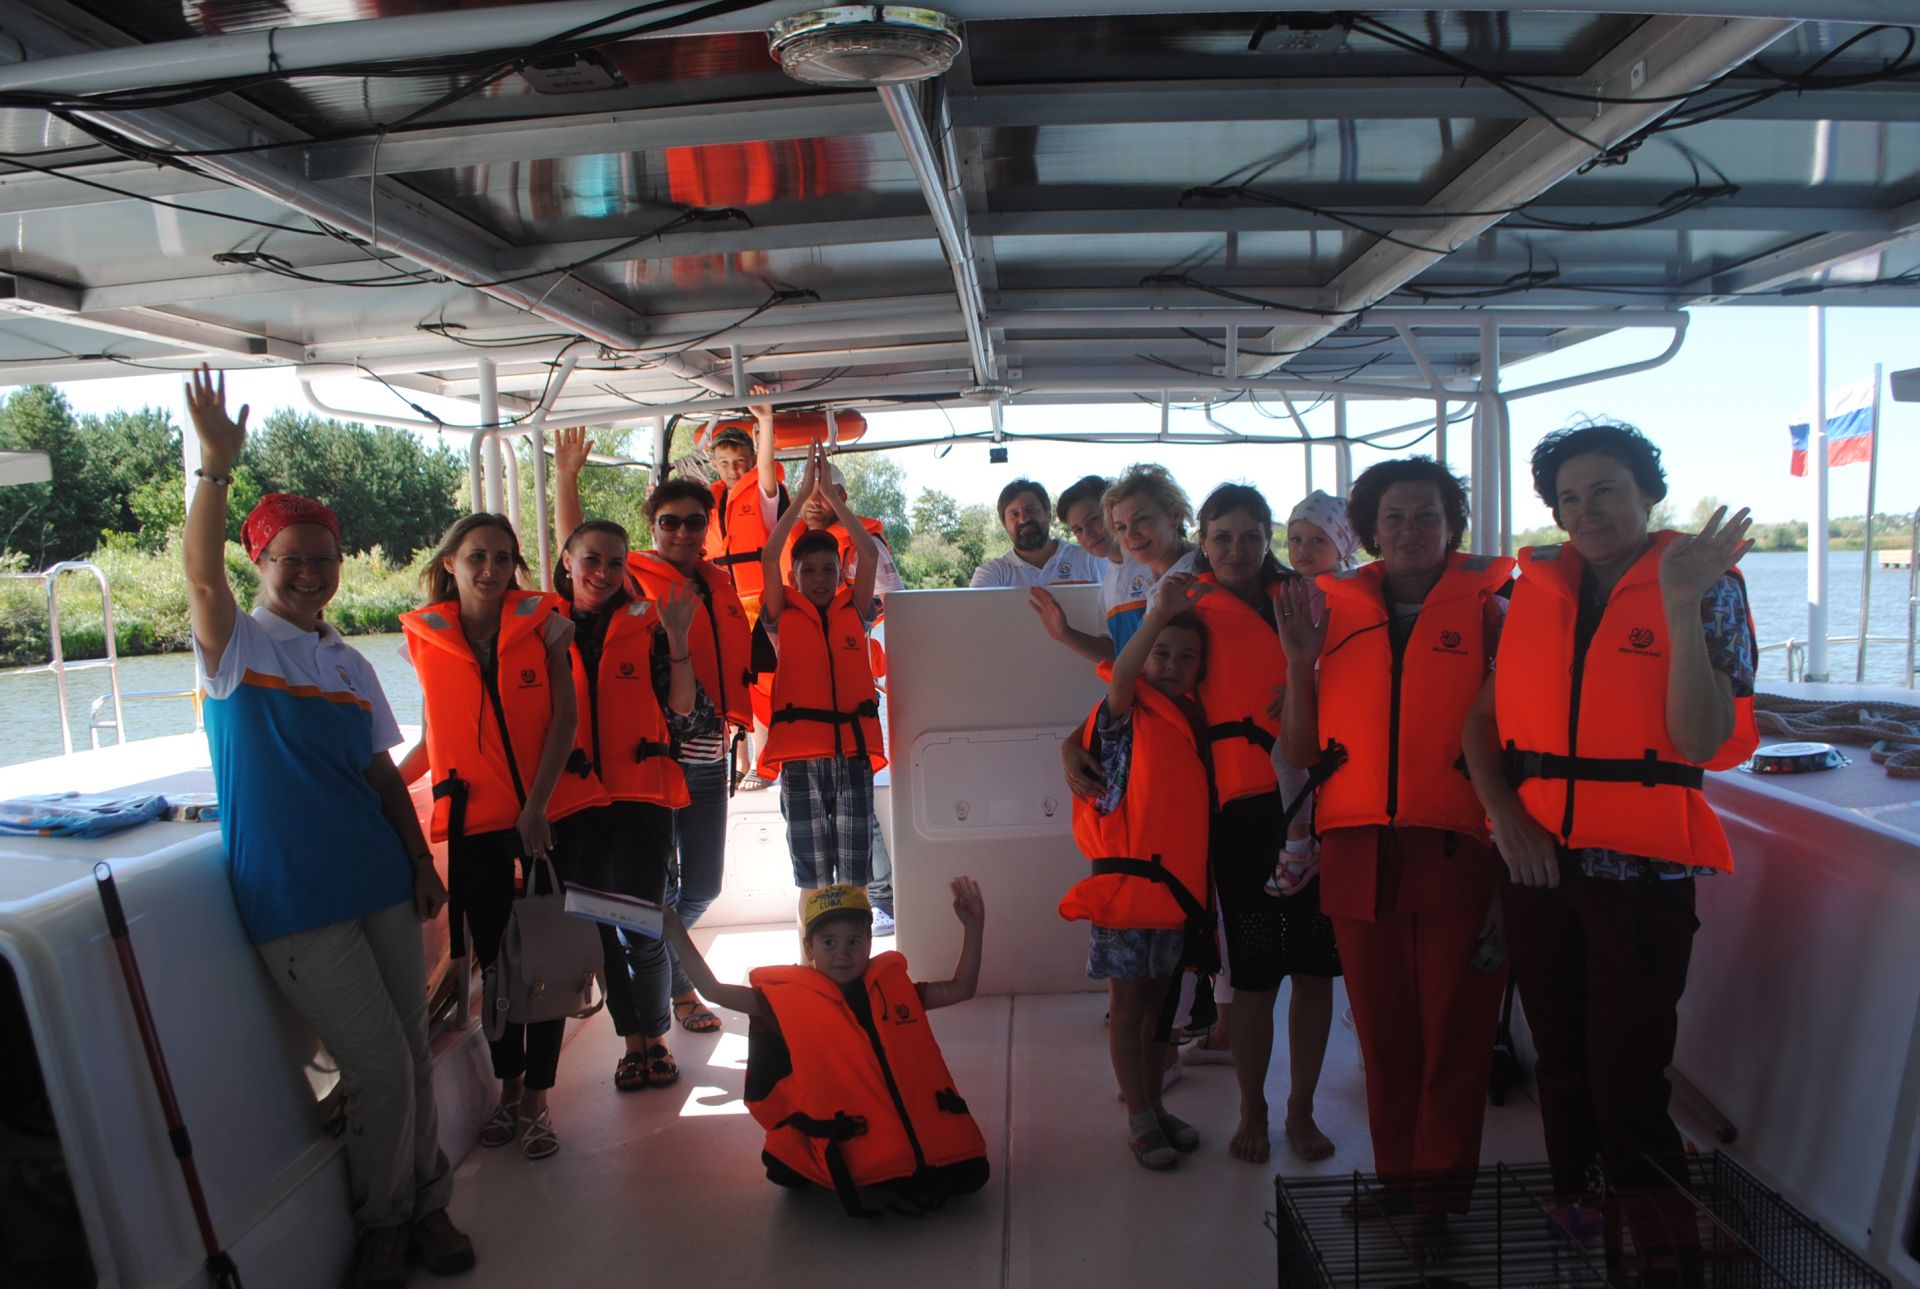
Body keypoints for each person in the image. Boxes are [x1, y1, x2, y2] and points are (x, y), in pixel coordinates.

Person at [181, 367, 474, 1288]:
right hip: (294, 895)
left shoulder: (347, 662)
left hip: (380, 877)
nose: (308, 572)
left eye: (322, 557)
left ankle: (426, 1206)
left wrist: (419, 864)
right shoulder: (239, 649)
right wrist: (214, 468)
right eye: (288, 559)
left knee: (413, 1060)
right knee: (381, 1068)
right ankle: (384, 1223)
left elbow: (380, 771)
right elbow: (196, 573)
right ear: (259, 563)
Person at [1461, 424, 1756, 1225]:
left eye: (1605, 491)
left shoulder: (1709, 585)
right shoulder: (1535, 592)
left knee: (1626, 1071)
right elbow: (1480, 725)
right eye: (1569, 497)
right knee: (1559, 1059)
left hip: (1640, 871)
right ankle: (1578, 1211)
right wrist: (1507, 822)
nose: (1585, 511)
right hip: (1537, 864)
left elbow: (1699, 740)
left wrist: (1682, 603)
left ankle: (1660, 1252)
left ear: (1647, 494)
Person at [1275, 457, 1513, 1231]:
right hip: (1358, 856)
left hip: (1461, 855)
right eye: (1394, 517)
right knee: (1384, 1038)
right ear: (1369, 531)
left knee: (1455, 1039)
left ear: (1453, 528)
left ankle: (1436, 1205)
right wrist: (1299, 661)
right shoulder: (1329, 614)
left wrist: (1510, 878)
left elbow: (1527, 753)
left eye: (1427, 516)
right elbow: (1307, 753)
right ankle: (1399, 1182)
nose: (1410, 531)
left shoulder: (1496, 616)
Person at [399, 514, 606, 1162]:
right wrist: (370, 783)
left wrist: (538, 804)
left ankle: (539, 1100)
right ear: (451, 563)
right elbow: (435, 738)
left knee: (542, 969)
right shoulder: (427, 637)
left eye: (501, 558)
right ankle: (509, 1090)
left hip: (543, 825)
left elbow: (565, 718)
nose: (489, 569)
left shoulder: (544, 623)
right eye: (476, 557)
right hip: (474, 829)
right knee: (495, 969)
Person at [553, 435, 749, 1038]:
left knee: (704, 885)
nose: (683, 533)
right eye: (670, 523)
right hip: (653, 762)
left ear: (709, 527)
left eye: (695, 522)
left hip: (710, 752)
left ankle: (670, 973)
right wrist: (565, 479)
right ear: (654, 527)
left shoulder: (719, 582)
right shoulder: (630, 580)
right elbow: (575, 553)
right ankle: (681, 989)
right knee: (654, 892)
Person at [661, 880, 989, 1209]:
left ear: (870, 943)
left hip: (907, 1136)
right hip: (846, 1135)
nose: (842, 954)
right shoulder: (782, 1002)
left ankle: (901, 1161)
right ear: (809, 948)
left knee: (974, 1174)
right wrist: (676, 932)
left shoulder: (896, 991)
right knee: (782, 1168)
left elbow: (962, 989)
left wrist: (974, 928)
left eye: (854, 942)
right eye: (829, 943)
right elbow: (714, 991)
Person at [1187, 484, 1342, 1166]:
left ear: (1268, 536)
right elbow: (1142, 684)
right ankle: (1252, 1106)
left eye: (1251, 536)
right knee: (1252, 973)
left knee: (1314, 968)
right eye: (1222, 537)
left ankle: (1301, 1107)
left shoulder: (1307, 598)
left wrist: (1310, 678)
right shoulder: (1185, 607)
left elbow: (1358, 676)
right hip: (1241, 811)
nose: (1237, 550)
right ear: (1202, 539)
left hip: (1314, 799)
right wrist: (1082, 740)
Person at [1060, 574, 1213, 1171]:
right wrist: (1156, 614)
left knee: (1161, 1009)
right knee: (1127, 1007)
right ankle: (1140, 1120)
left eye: (1186, 657)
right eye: (1161, 654)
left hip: (1177, 895)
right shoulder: (1123, 711)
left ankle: (1153, 1104)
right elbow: (1120, 678)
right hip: (1125, 890)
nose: (1172, 665)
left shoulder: (1197, 718)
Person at [550, 514, 704, 1091]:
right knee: (597, 927)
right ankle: (630, 1042)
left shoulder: (651, 626)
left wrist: (682, 639)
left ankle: (657, 1036)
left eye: (616, 562)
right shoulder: (543, 628)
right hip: (576, 801)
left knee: (640, 925)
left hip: (639, 798)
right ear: (567, 561)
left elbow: (682, 710)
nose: (605, 572)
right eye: (592, 559)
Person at [756, 443, 887, 904]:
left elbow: (868, 556)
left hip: (851, 754)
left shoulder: (854, 607)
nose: (819, 578)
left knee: (854, 876)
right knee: (811, 877)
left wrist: (830, 496)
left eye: (828, 569)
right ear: (793, 576)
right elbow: (768, 556)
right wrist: (802, 498)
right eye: (808, 570)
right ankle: (812, 966)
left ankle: (858, 966)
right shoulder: (780, 612)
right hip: (800, 760)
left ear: (839, 572)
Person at [1262, 489, 1362, 901]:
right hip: (1311, 691)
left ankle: (1301, 848)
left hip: (1331, 696)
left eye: (1318, 541)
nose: (1303, 550)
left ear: (1340, 545)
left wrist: (1296, 688)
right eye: (1297, 539)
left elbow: (1335, 655)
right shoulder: (1300, 588)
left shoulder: (1343, 591)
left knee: (1284, 756)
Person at [968, 478, 1104, 588]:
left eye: (1031, 510)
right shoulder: (992, 573)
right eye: (1014, 514)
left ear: (1048, 513)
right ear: (1004, 524)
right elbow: (971, 615)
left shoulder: (1090, 558)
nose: (1023, 519)